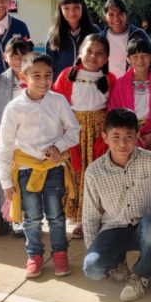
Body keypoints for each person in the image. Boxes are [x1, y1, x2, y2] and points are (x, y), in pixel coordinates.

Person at [83, 109, 151, 302]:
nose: (123, 144)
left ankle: (141, 275)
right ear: (105, 137)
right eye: (116, 137)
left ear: (137, 137)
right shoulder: (94, 172)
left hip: (146, 228)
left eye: (128, 137)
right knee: (92, 268)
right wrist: (96, 250)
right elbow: (90, 215)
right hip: (114, 228)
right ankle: (118, 261)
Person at [0, 53, 80, 278]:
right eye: (37, 76)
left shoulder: (58, 101)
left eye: (48, 75)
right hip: (26, 171)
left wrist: (58, 147)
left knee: (56, 215)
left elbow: (74, 131)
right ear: (24, 76)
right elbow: (4, 146)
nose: (43, 81)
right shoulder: (14, 108)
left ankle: (60, 253)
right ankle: (34, 255)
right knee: (31, 217)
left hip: (53, 168)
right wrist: (5, 181)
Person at [52, 34, 117, 239]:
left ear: (106, 58)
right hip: (73, 132)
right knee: (76, 175)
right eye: (89, 51)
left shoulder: (110, 79)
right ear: (80, 52)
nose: (93, 56)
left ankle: (99, 217)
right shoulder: (66, 76)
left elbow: (112, 108)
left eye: (99, 53)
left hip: (99, 134)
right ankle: (81, 219)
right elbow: (55, 106)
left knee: (98, 175)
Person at [0, 36, 34, 236]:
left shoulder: (34, 78)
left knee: (25, 178)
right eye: (12, 55)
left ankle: (24, 219)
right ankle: (1, 216)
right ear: (5, 57)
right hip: (5, 137)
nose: (17, 59)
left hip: (28, 137)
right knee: (3, 176)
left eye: (22, 55)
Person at [107, 37, 151, 151]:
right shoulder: (120, 84)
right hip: (127, 134)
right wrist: (132, 131)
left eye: (145, 55)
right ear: (128, 59)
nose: (140, 60)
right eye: (135, 56)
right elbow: (113, 112)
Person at [46, 0, 102, 77]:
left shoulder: (94, 31)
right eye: (66, 8)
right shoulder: (54, 33)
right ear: (60, 10)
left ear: (82, 8)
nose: (72, 12)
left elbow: (103, 58)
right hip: (61, 85)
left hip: (88, 83)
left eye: (76, 7)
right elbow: (49, 64)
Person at [100, 0, 151, 78]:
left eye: (120, 14)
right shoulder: (100, 38)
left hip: (132, 86)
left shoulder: (138, 34)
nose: (116, 18)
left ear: (127, 15)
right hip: (107, 87)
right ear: (105, 18)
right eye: (111, 15)